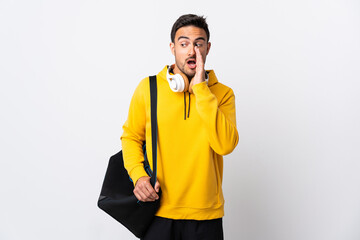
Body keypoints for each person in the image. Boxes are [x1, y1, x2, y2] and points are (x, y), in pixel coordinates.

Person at [121, 14, 239, 240]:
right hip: (158, 211)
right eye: (184, 44)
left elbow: (225, 145)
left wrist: (202, 90)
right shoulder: (149, 88)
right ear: (173, 48)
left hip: (206, 215)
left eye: (198, 44)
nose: (191, 51)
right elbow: (131, 138)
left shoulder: (222, 94)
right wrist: (139, 176)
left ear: (208, 48)